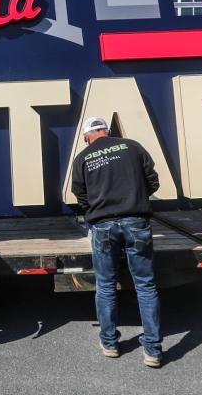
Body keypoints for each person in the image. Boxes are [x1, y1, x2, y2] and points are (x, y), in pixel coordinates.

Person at [71, 116, 162, 368]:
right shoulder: (132, 146)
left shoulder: (83, 158)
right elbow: (153, 181)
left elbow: (80, 196)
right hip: (136, 222)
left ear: (88, 136)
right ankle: (153, 350)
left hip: (103, 226)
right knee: (145, 286)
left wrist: (99, 207)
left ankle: (110, 343)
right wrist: (134, 198)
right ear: (107, 132)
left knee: (106, 285)